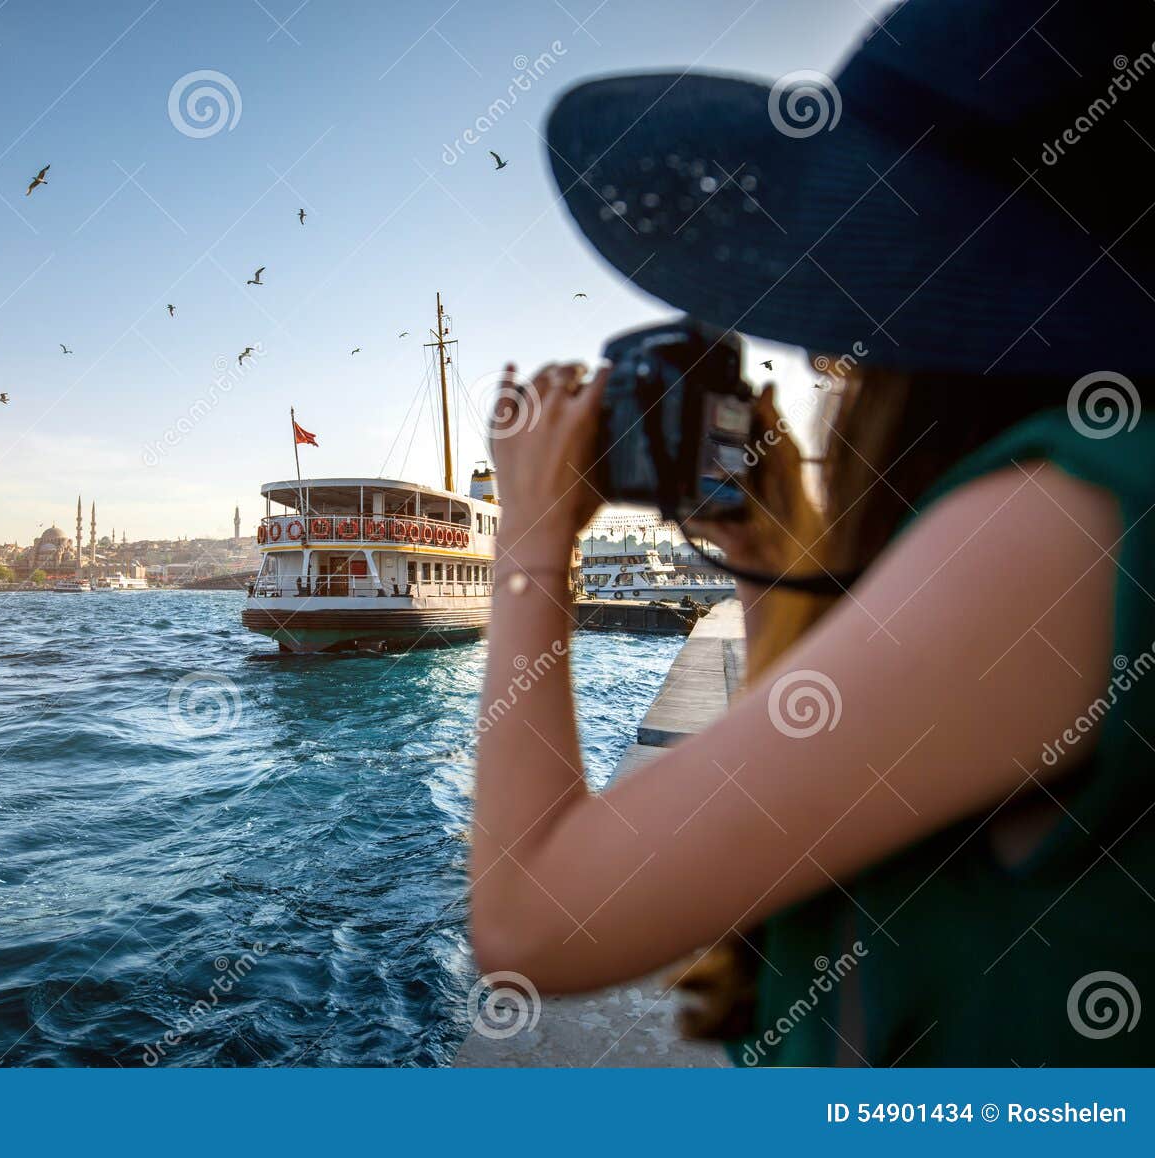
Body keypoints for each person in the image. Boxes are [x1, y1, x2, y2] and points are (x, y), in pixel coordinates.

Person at [471, 0, 1155, 1065]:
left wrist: (528, 543)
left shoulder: (1069, 512)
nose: (832, 364)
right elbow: (842, 780)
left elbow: (529, 924)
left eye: (842, 342)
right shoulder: (1094, 486)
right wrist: (764, 566)